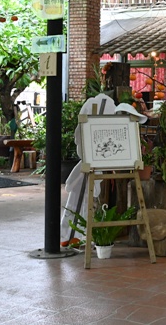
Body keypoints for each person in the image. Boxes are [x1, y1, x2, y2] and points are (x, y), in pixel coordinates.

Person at [60, 93, 148, 241]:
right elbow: (82, 137)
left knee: (86, 200)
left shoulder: (123, 128)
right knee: (81, 199)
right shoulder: (99, 109)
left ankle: (76, 235)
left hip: (101, 162)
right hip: (92, 163)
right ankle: (73, 235)